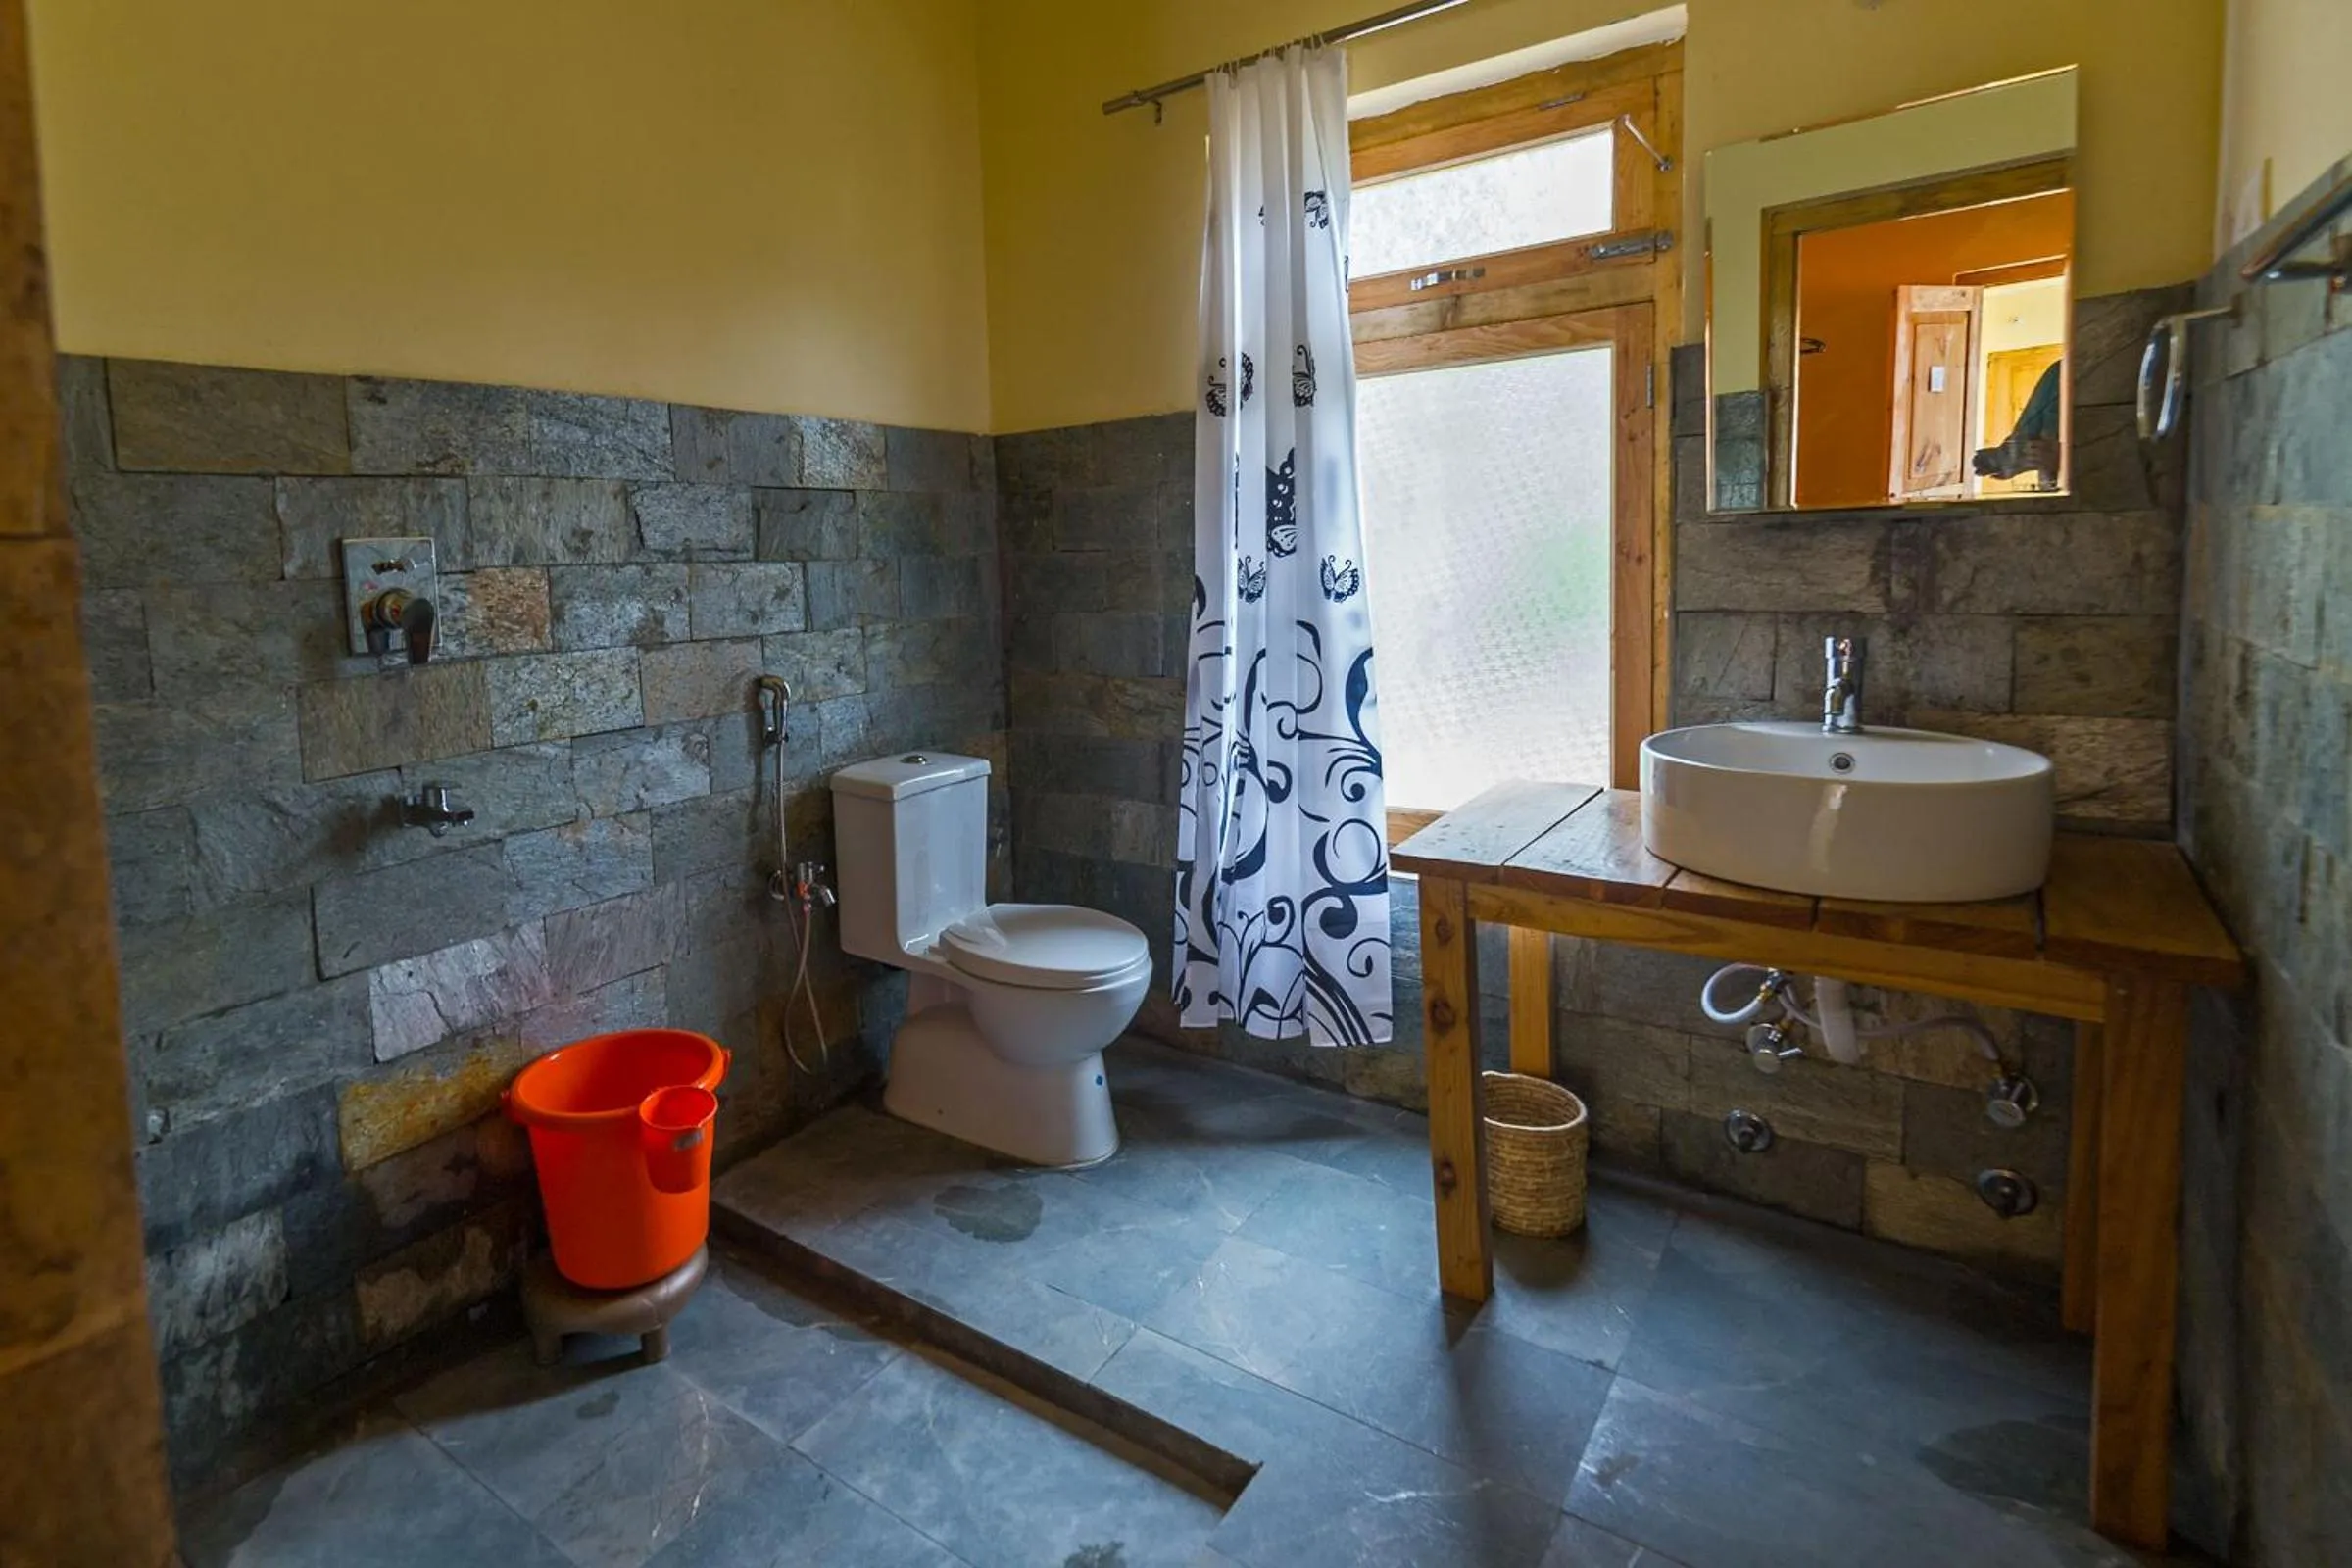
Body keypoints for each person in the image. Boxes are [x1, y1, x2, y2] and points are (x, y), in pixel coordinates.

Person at [1972, 359, 2062, 488]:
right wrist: (2006, 458)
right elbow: (2021, 442)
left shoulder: (2063, 371)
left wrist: (2065, 459)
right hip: (2056, 495)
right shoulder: (2060, 372)